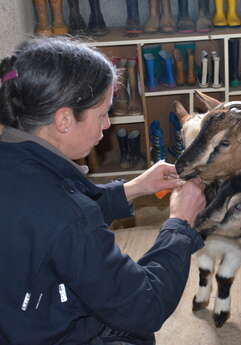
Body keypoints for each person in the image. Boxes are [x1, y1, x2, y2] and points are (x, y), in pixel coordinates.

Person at [0, 37, 206, 345]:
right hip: (48, 333)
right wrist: (179, 223)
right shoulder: (68, 215)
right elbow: (146, 306)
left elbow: (56, 224)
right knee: (136, 330)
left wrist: (134, 189)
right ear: (64, 120)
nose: (108, 125)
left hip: (19, 316)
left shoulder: (16, 161)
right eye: (102, 113)